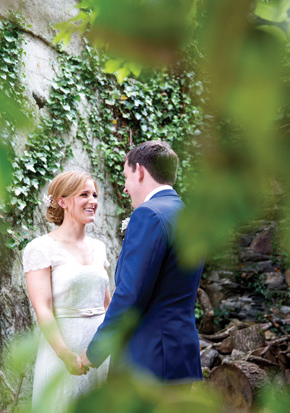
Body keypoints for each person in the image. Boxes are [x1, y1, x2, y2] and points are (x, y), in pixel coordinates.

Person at [81, 140, 204, 383]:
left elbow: (131, 294)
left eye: (126, 177)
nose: (125, 188)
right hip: (181, 354)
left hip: (147, 359)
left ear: (140, 171)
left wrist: (94, 352)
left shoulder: (148, 215)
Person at [23, 171, 111, 411]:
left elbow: (107, 305)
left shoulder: (100, 248)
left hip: (98, 350)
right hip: (63, 348)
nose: (93, 201)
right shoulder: (40, 248)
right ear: (62, 202)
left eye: (95, 195)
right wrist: (64, 354)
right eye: (84, 195)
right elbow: (43, 308)